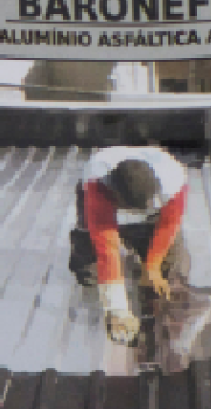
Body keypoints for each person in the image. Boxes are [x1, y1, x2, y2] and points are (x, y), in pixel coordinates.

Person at [69, 145, 191, 345]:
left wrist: (152, 266)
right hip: (101, 198)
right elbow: (107, 247)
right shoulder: (97, 183)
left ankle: (156, 307)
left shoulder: (173, 180)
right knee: (90, 265)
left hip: (151, 209)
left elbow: (168, 224)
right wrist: (116, 309)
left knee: (171, 265)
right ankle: (94, 292)